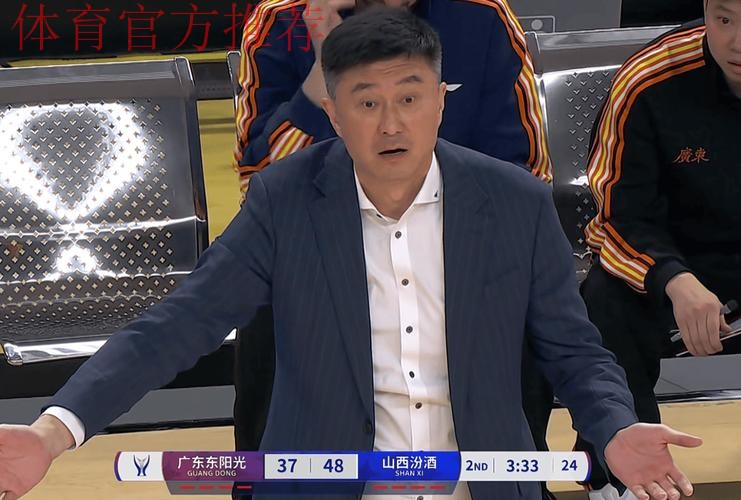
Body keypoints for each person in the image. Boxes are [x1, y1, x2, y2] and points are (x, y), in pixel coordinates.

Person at [0, 9, 702, 500]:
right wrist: (53, 432)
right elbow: (175, 327)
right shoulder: (283, 201)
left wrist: (613, 430)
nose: (392, 123)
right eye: (366, 103)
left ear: (441, 100)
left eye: (410, 97)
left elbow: (573, 351)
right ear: (332, 114)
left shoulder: (514, 202)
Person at [231, 2, 555, 496]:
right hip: (321, 248)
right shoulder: (281, 20)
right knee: (268, 290)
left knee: (515, 295)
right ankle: (266, 485)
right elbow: (261, 181)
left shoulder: (483, 16)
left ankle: (512, 483)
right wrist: (325, 64)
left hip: (462, 241)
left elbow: (524, 170)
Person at [576, 1, 741, 498]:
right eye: (724, 19)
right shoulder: (650, 77)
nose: (737, 41)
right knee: (604, 299)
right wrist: (674, 279)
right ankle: (620, 477)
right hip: (673, 267)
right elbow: (614, 218)